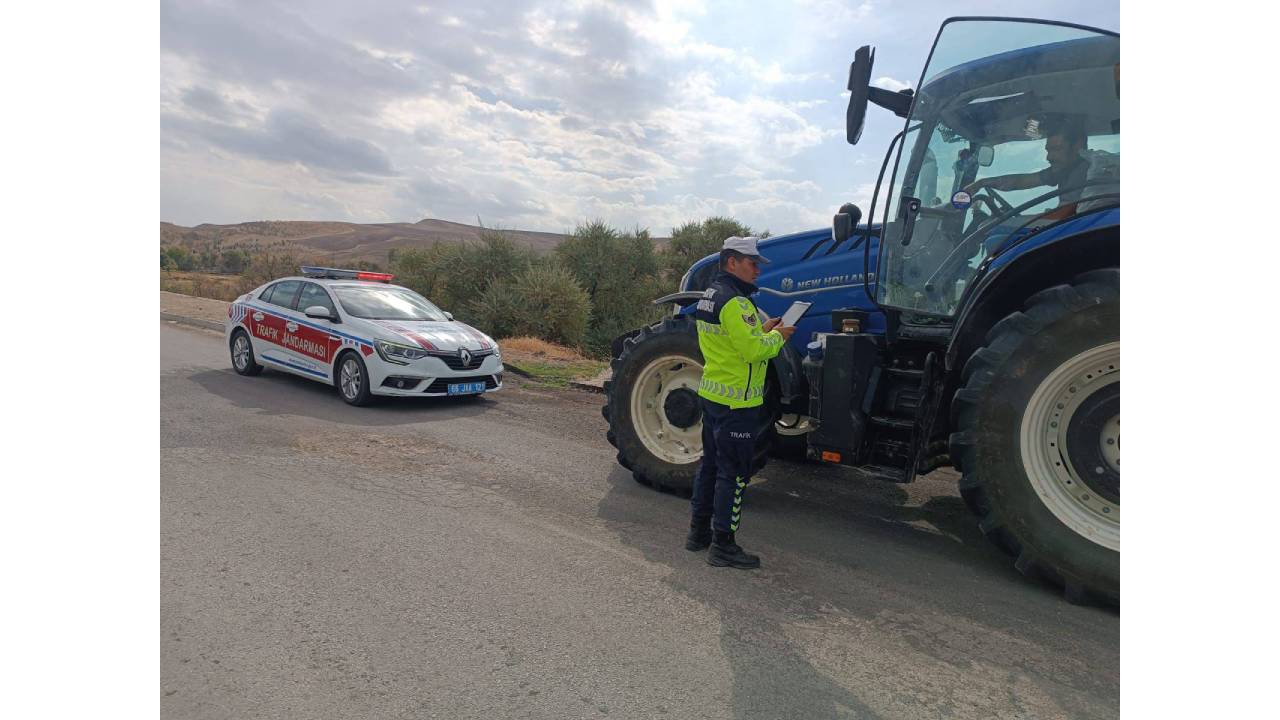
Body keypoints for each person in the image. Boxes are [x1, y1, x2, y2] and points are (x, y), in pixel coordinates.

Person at [685, 236, 795, 569]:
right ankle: (723, 546)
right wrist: (777, 337)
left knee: (710, 467)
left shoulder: (709, 297)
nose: (757, 271)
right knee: (733, 476)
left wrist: (759, 329)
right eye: (752, 264)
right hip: (738, 405)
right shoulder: (736, 303)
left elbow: (732, 342)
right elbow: (753, 351)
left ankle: (698, 534)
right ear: (732, 262)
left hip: (714, 396)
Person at [965, 117, 1092, 217]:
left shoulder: (1088, 173)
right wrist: (981, 183)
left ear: (1077, 147)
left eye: (1056, 149)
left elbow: (1062, 217)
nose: (1049, 157)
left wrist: (1010, 223)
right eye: (1048, 150)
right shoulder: (1064, 170)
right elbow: (1019, 182)